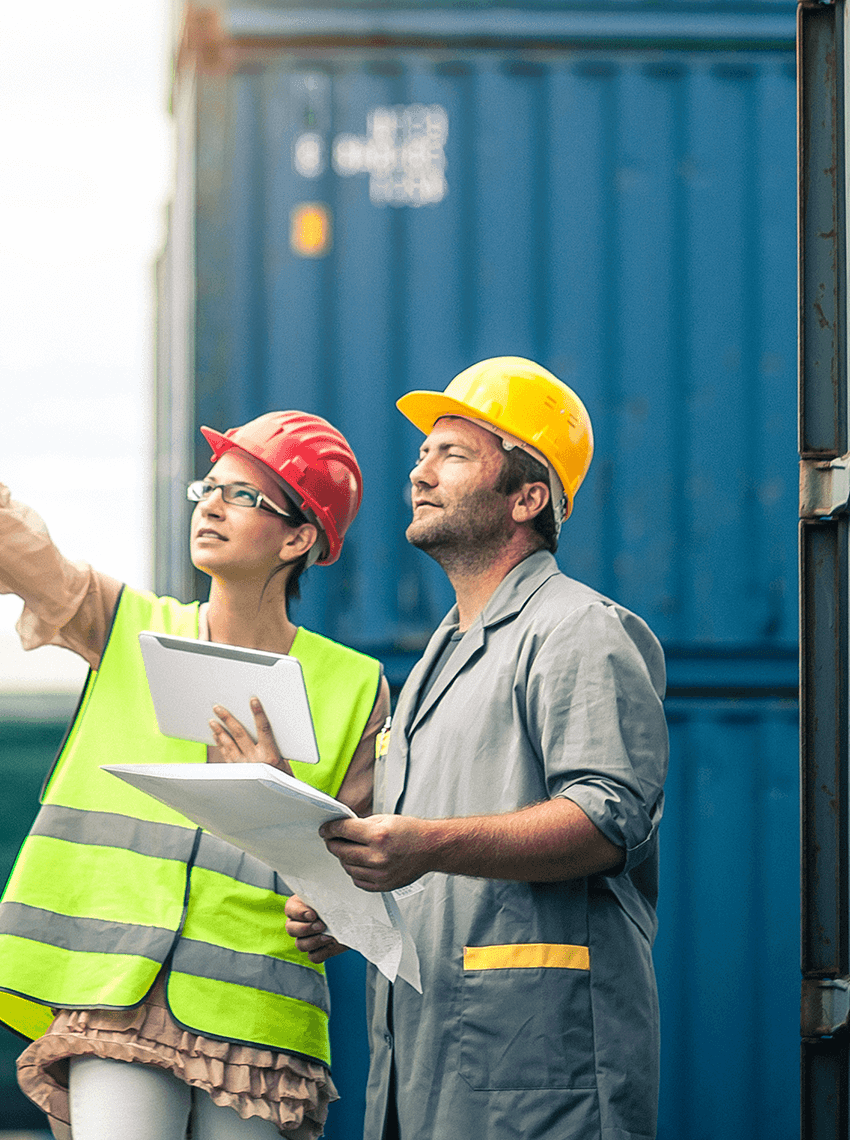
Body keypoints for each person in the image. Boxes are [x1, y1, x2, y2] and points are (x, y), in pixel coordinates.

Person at [0, 279, 390, 1140]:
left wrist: (291, 831)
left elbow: (358, 892)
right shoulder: (124, 627)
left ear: (300, 538)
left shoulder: (354, 689)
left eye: (245, 497)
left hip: (256, 1019)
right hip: (113, 993)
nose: (214, 507)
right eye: (210, 489)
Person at [284, 357, 668, 1140]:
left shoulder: (578, 630)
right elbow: (432, 863)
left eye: (452, 453)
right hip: (425, 1076)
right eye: (423, 453)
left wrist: (427, 845)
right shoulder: (435, 661)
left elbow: (609, 821)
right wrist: (354, 910)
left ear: (527, 497)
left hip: (537, 1078)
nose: (420, 472)